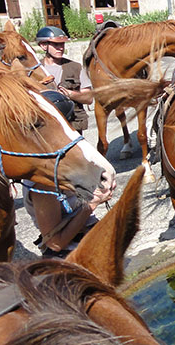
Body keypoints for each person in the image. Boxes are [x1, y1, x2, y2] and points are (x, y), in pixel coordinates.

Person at [23, 90, 115, 259]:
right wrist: (92, 204)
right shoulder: (43, 183)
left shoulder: (59, 168)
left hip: (90, 241)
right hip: (72, 256)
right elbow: (55, 243)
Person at [36, 26, 93, 133]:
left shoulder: (76, 67)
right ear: (43, 46)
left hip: (72, 124)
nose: (61, 48)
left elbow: (89, 98)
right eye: (56, 44)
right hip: (45, 127)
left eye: (62, 44)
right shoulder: (36, 71)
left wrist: (71, 94)